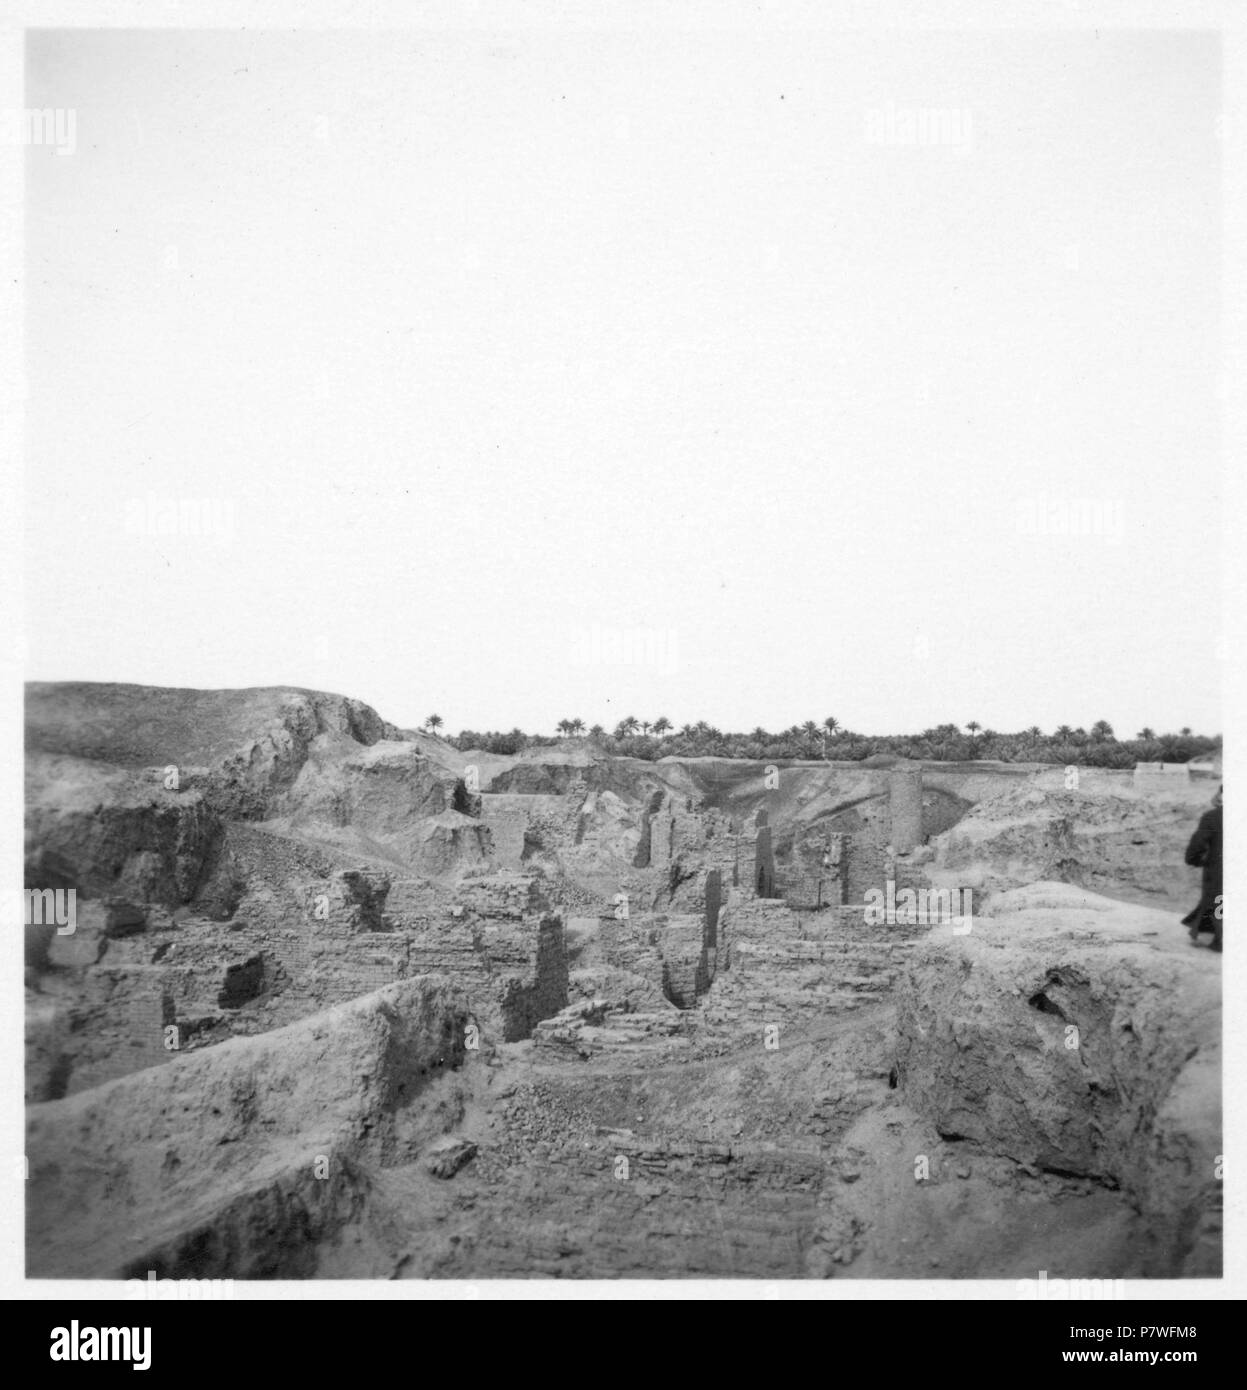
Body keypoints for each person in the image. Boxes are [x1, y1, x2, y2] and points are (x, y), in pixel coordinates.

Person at [1182, 784, 1223, 952]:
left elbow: (1198, 844)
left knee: (1220, 903)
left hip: (1219, 871)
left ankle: (1222, 940)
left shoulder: (1213, 817)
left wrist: (1194, 860)